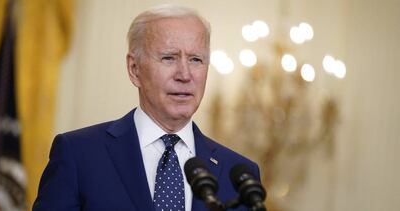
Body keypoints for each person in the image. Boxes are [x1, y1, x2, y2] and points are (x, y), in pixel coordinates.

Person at [33, 4, 261, 211]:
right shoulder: (78, 154)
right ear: (134, 69)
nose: (185, 75)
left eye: (195, 60)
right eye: (169, 58)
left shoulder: (241, 175)